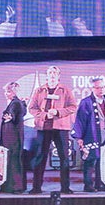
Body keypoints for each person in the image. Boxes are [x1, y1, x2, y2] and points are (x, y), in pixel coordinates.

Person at [27, 66, 77, 194]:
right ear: (47, 75)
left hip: (61, 128)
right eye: (50, 73)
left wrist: (58, 112)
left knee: (64, 158)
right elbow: (32, 108)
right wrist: (44, 115)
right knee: (40, 157)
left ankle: (65, 188)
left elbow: (73, 107)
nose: (52, 75)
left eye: (55, 73)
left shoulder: (65, 90)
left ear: (59, 76)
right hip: (43, 127)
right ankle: (36, 187)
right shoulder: (39, 90)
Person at [72, 74, 105, 192]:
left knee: (103, 161)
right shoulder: (86, 102)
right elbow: (80, 120)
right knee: (90, 160)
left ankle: (101, 184)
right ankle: (88, 185)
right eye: (98, 87)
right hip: (91, 135)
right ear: (92, 88)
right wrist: (79, 137)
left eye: (103, 87)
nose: (101, 90)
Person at [0, 81, 27, 193]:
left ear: (14, 92)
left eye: (8, 91)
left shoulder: (15, 103)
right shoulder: (17, 103)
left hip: (12, 137)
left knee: (13, 160)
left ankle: (15, 186)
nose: (6, 93)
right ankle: (13, 186)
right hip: (12, 136)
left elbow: (12, 115)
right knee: (12, 160)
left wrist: (10, 116)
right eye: (6, 91)